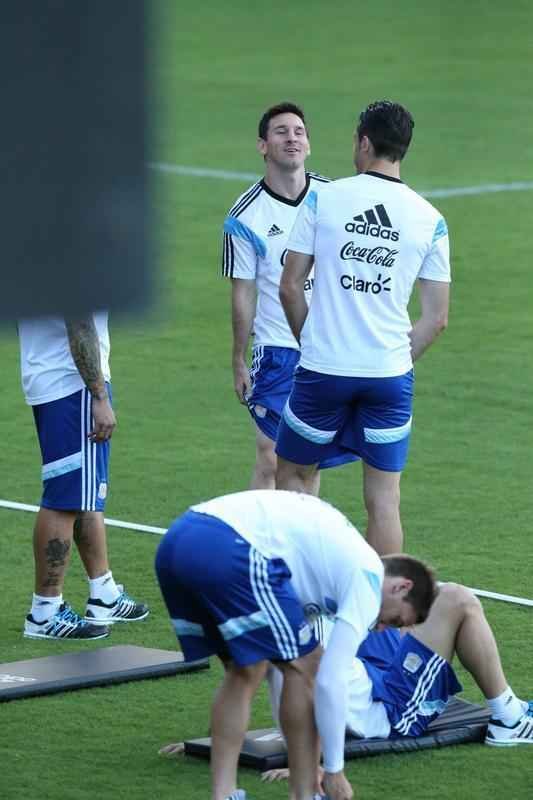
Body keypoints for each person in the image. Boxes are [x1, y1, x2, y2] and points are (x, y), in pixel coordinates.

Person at [155, 489, 436, 800]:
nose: (381, 628)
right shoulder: (368, 578)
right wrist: (335, 770)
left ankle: (224, 794)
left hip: (177, 542)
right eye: (394, 620)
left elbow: (285, 671)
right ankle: (305, 794)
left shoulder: (324, 570)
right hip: (229, 546)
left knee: (246, 670)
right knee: (309, 665)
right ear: (401, 587)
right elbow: (328, 679)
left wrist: (305, 758)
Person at [275, 100, 451, 555]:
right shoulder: (431, 220)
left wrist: (313, 343)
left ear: (365, 143)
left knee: (293, 477)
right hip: (389, 376)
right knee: (385, 501)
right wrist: (394, 359)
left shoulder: (323, 198)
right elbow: (437, 318)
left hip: (324, 370)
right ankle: (380, 600)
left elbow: (290, 287)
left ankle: (302, 587)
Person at [262, 582, 533, 792]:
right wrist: (307, 763)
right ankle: (509, 719)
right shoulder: (288, 616)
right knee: (457, 599)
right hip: (387, 706)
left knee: (398, 598)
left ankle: (513, 711)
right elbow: (306, 678)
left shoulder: (305, 578)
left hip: (366, 666)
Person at [222, 101, 355, 492]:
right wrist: (238, 359)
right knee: (271, 456)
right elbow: (242, 293)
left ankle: (300, 530)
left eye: (299, 132)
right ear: (263, 146)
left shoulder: (335, 198)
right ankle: (257, 530)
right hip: (276, 349)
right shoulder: (245, 216)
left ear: (309, 145)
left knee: (309, 461)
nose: (292, 138)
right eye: (281, 132)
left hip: (326, 348)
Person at [18, 313, 149, 640]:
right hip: (71, 384)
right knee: (64, 500)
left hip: (55, 376)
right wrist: (99, 395)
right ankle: (45, 612)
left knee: (84, 493)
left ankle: (103, 592)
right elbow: (79, 321)